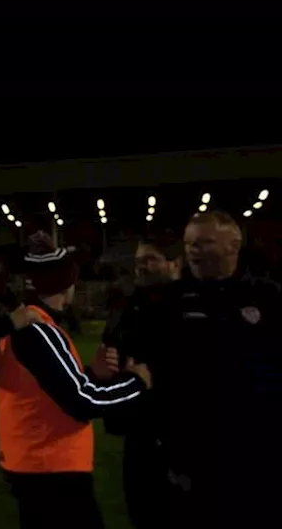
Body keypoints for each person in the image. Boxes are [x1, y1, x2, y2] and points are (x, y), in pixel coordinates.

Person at [111, 212, 281, 527]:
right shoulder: (165, 302)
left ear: (234, 245)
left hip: (253, 451)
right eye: (189, 244)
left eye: (204, 243)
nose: (193, 250)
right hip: (185, 455)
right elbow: (140, 369)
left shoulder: (268, 296)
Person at [0, 232, 151, 529]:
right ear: (66, 283)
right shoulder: (40, 330)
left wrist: (92, 374)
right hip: (50, 469)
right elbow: (83, 401)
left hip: (33, 464)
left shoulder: (29, 325)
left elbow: (47, 388)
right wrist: (137, 381)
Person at [97, 236, 181, 529]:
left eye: (151, 259)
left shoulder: (188, 303)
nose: (142, 266)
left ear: (175, 263)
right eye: (139, 260)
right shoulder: (130, 304)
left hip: (178, 426)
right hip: (138, 424)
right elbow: (110, 348)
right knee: (140, 507)